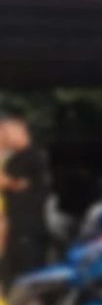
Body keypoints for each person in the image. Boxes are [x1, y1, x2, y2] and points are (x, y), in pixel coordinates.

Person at [0, 116, 50, 290]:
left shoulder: (33, 157)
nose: (3, 136)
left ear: (20, 132)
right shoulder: (14, 159)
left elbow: (22, 185)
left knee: (28, 271)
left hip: (28, 225)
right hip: (13, 225)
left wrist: (7, 182)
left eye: (5, 132)